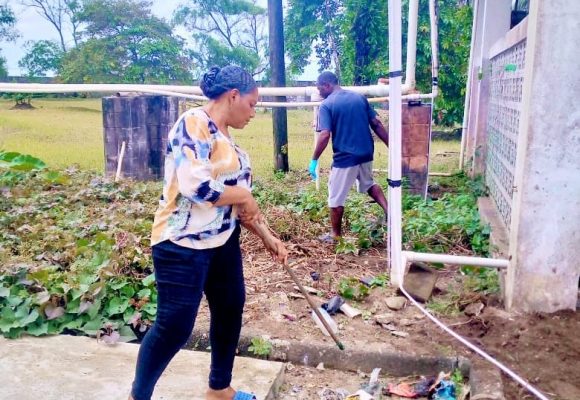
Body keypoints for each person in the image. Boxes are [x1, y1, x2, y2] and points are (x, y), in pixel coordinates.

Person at [129, 65, 288, 400]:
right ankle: (138, 396)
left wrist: (268, 236)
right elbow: (195, 186)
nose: (254, 113)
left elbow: (241, 207)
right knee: (175, 327)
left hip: (223, 241)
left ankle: (219, 388)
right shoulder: (193, 123)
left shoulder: (232, 145)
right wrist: (244, 195)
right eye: (252, 104)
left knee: (230, 308)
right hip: (181, 244)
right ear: (233, 96)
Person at [309, 71, 389, 241]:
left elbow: (324, 135)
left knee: (335, 196)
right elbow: (376, 123)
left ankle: (335, 235)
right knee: (368, 184)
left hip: (345, 158)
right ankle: (391, 213)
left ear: (327, 85)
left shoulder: (327, 104)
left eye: (319, 89)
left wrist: (314, 159)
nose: (319, 92)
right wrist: (393, 146)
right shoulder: (359, 98)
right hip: (366, 153)